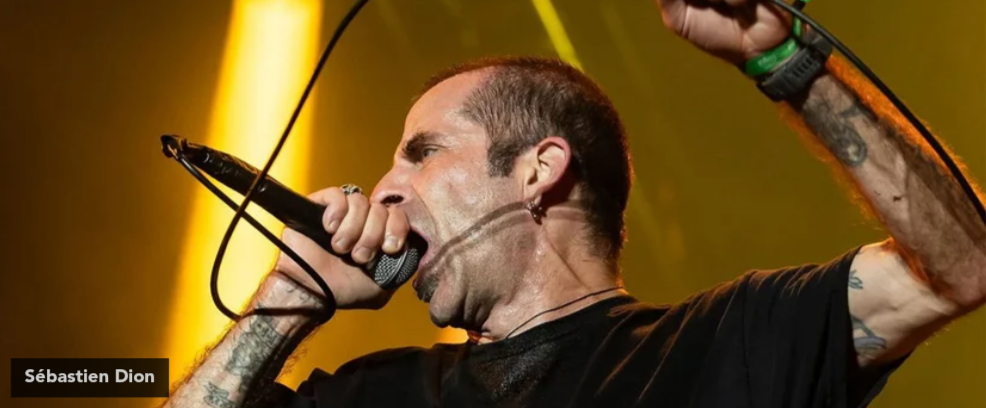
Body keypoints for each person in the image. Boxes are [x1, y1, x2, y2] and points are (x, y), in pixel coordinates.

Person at [164, 0, 986, 407]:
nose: (383, 190)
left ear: (540, 170)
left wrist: (785, 58)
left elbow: (964, 266)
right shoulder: (375, 394)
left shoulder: (729, 345)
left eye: (422, 153)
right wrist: (286, 301)